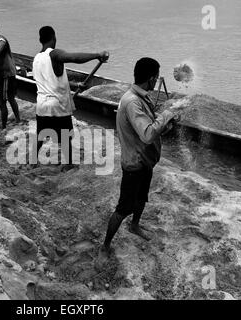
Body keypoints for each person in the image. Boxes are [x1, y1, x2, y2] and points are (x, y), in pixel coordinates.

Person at [99, 57, 184, 259]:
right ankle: (105, 246)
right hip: (134, 162)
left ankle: (135, 225)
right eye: (156, 77)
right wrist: (167, 114)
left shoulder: (140, 97)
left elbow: (149, 126)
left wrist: (166, 121)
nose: (156, 81)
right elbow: (147, 134)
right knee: (123, 208)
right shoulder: (132, 102)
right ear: (152, 78)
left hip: (144, 159)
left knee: (141, 198)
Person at [32, 26, 109, 165]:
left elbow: (52, 81)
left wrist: (75, 86)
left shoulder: (37, 58)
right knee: (66, 138)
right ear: (54, 37)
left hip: (42, 105)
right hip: (57, 107)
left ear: (40, 40)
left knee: (40, 135)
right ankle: (68, 165)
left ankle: (32, 161)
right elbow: (73, 57)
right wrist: (97, 55)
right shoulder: (54, 54)